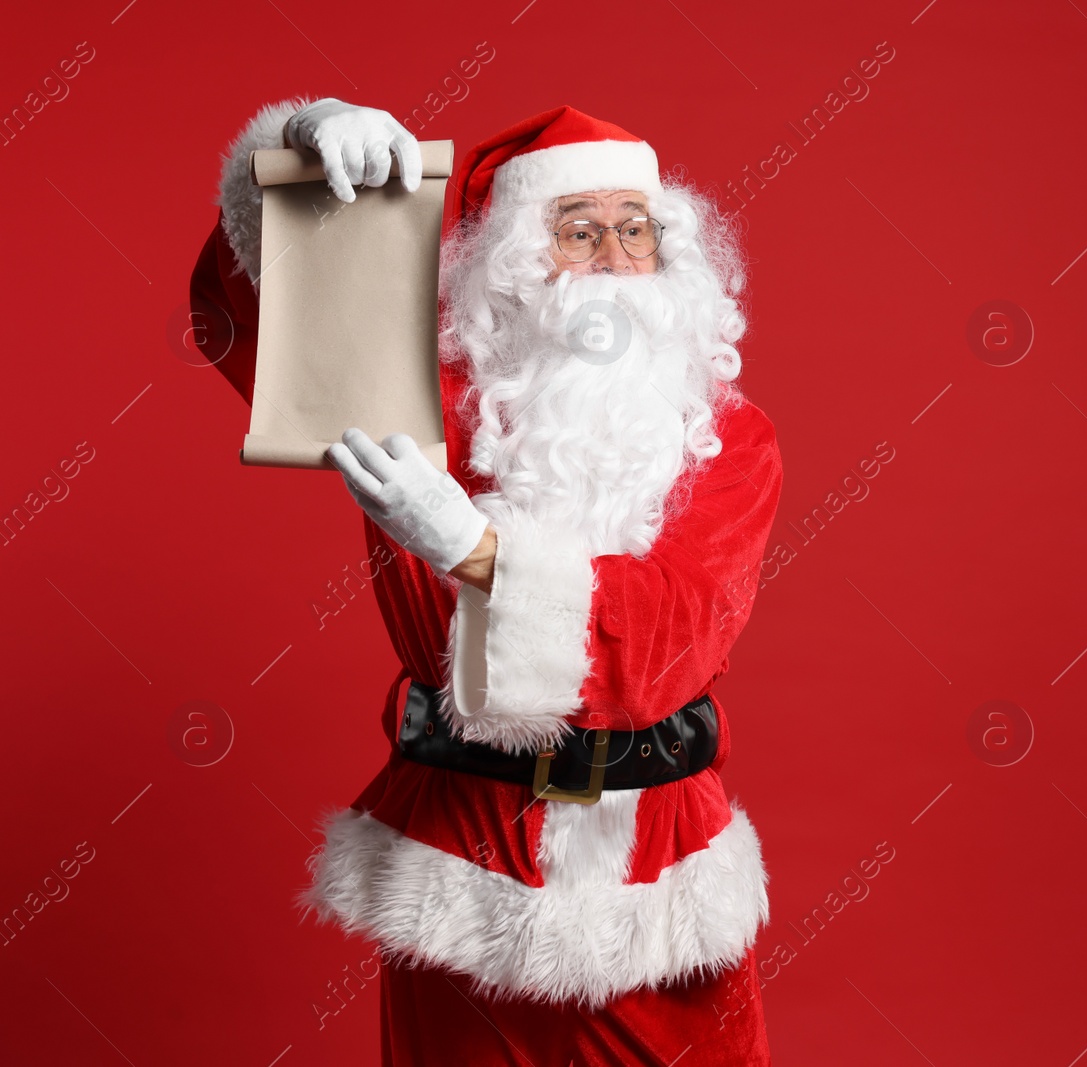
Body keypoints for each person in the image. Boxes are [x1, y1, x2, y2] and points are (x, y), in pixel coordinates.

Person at [188, 97, 781, 1065]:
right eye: (577, 229)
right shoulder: (421, 404)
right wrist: (301, 165)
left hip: (660, 862)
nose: (611, 258)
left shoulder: (729, 439)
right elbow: (258, 331)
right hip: (463, 849)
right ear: (512, 261)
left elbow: (672, 642)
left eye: (635, 230)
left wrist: (475, 550)